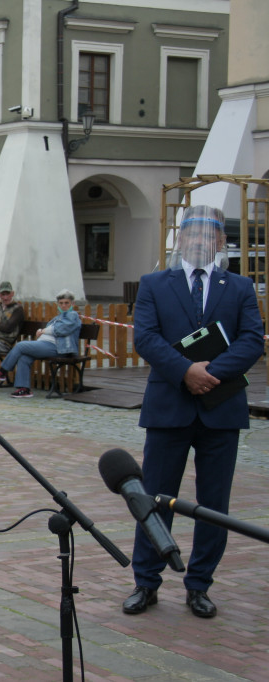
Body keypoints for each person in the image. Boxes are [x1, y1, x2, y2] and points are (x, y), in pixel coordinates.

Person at [120, 205, 264, 619]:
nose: (201, 242)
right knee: (153, 500)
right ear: (180, 240)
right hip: (169, 409)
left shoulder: (238, 287)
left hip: (221, 410)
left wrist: (209, 374)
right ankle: (146, 582)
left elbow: (252, 339)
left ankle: (199, 584)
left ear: (220, 244)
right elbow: (145, 338)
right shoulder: (153, 284)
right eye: (193, 235)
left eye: (210, 236)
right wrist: (185, 372)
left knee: (214, 504)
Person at [0, 289, 81, 398]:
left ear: (72, 303)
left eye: (66, 303)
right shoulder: (58, 317)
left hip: (59, 348)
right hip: (47, 345)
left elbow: (62, 329)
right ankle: (24, 389)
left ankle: (2, 371)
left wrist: (43, 331)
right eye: (61, 303)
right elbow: (52, 329)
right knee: (24, 357)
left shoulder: (72, 315)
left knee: (21, 345)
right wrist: (42, 331)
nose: (63, 306)